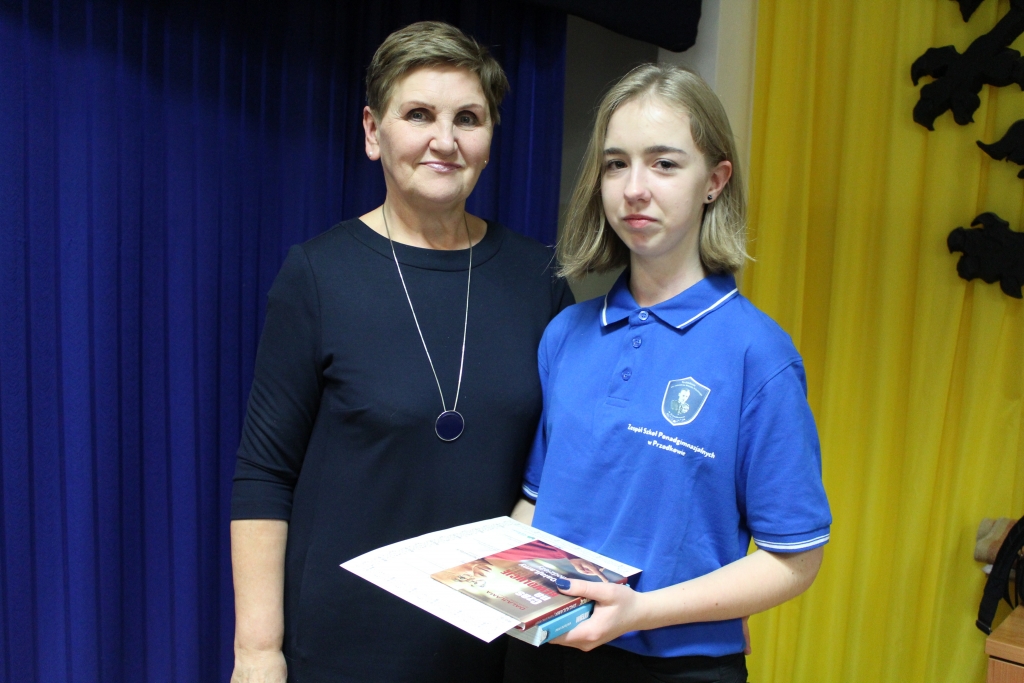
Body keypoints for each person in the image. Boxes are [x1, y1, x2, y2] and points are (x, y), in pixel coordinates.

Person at [229, 21, 573, 683]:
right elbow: (264, 475)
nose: (445, 140)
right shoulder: (318, 276)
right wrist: (257, 653)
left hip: (496, 646)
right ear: (372, 131)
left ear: (490, 139)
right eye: (419, 115)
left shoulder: (540, 281)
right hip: (343, 647)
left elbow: (563, 465)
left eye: (468, 118)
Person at [504, 64, 832, 683]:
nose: (634, 188)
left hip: (678, 667)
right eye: (616, 164)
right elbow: (538, 502)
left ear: (715, 181)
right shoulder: (566, 334)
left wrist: (639, 612)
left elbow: (795, 559)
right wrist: (493, 582)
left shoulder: (758, 354)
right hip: (544, 653)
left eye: (663, 163)